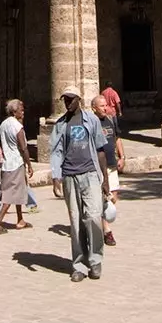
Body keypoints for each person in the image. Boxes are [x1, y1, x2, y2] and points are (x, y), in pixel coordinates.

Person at [49, 87, 109, 282]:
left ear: (79, 100)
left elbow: (100, 149)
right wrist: (56, 177)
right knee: (75, 222)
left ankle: (95, 259)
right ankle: (78, 264)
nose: (67, 103)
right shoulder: (61, 124)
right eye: (65, 99)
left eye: (71, 99)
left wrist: (105, 179)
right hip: (70, 175)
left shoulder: (91, 120)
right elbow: (56, 152)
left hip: (90, 173)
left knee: (92, 217)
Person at [0, 98, 32, 234]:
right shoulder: (17, 126)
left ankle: (20, 219)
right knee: (9, 196)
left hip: (6, 163)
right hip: (16, 163)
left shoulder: (3, 124)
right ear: (15, 111)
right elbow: (23, 147)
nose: (23, 112)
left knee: (19, 191)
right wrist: (29, 164)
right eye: (21, 109)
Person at [92, 94, 124, 245]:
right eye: (101, 106)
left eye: (106, 105)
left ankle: (102, 222)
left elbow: (117, 138)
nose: (105, 108)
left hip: (112, 164)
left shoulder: (110, 120)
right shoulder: (92, 124)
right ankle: (107, 231)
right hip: (99, 167)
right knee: (104, 198)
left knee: (113, 197)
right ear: (94, 108)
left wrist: (122, 156)